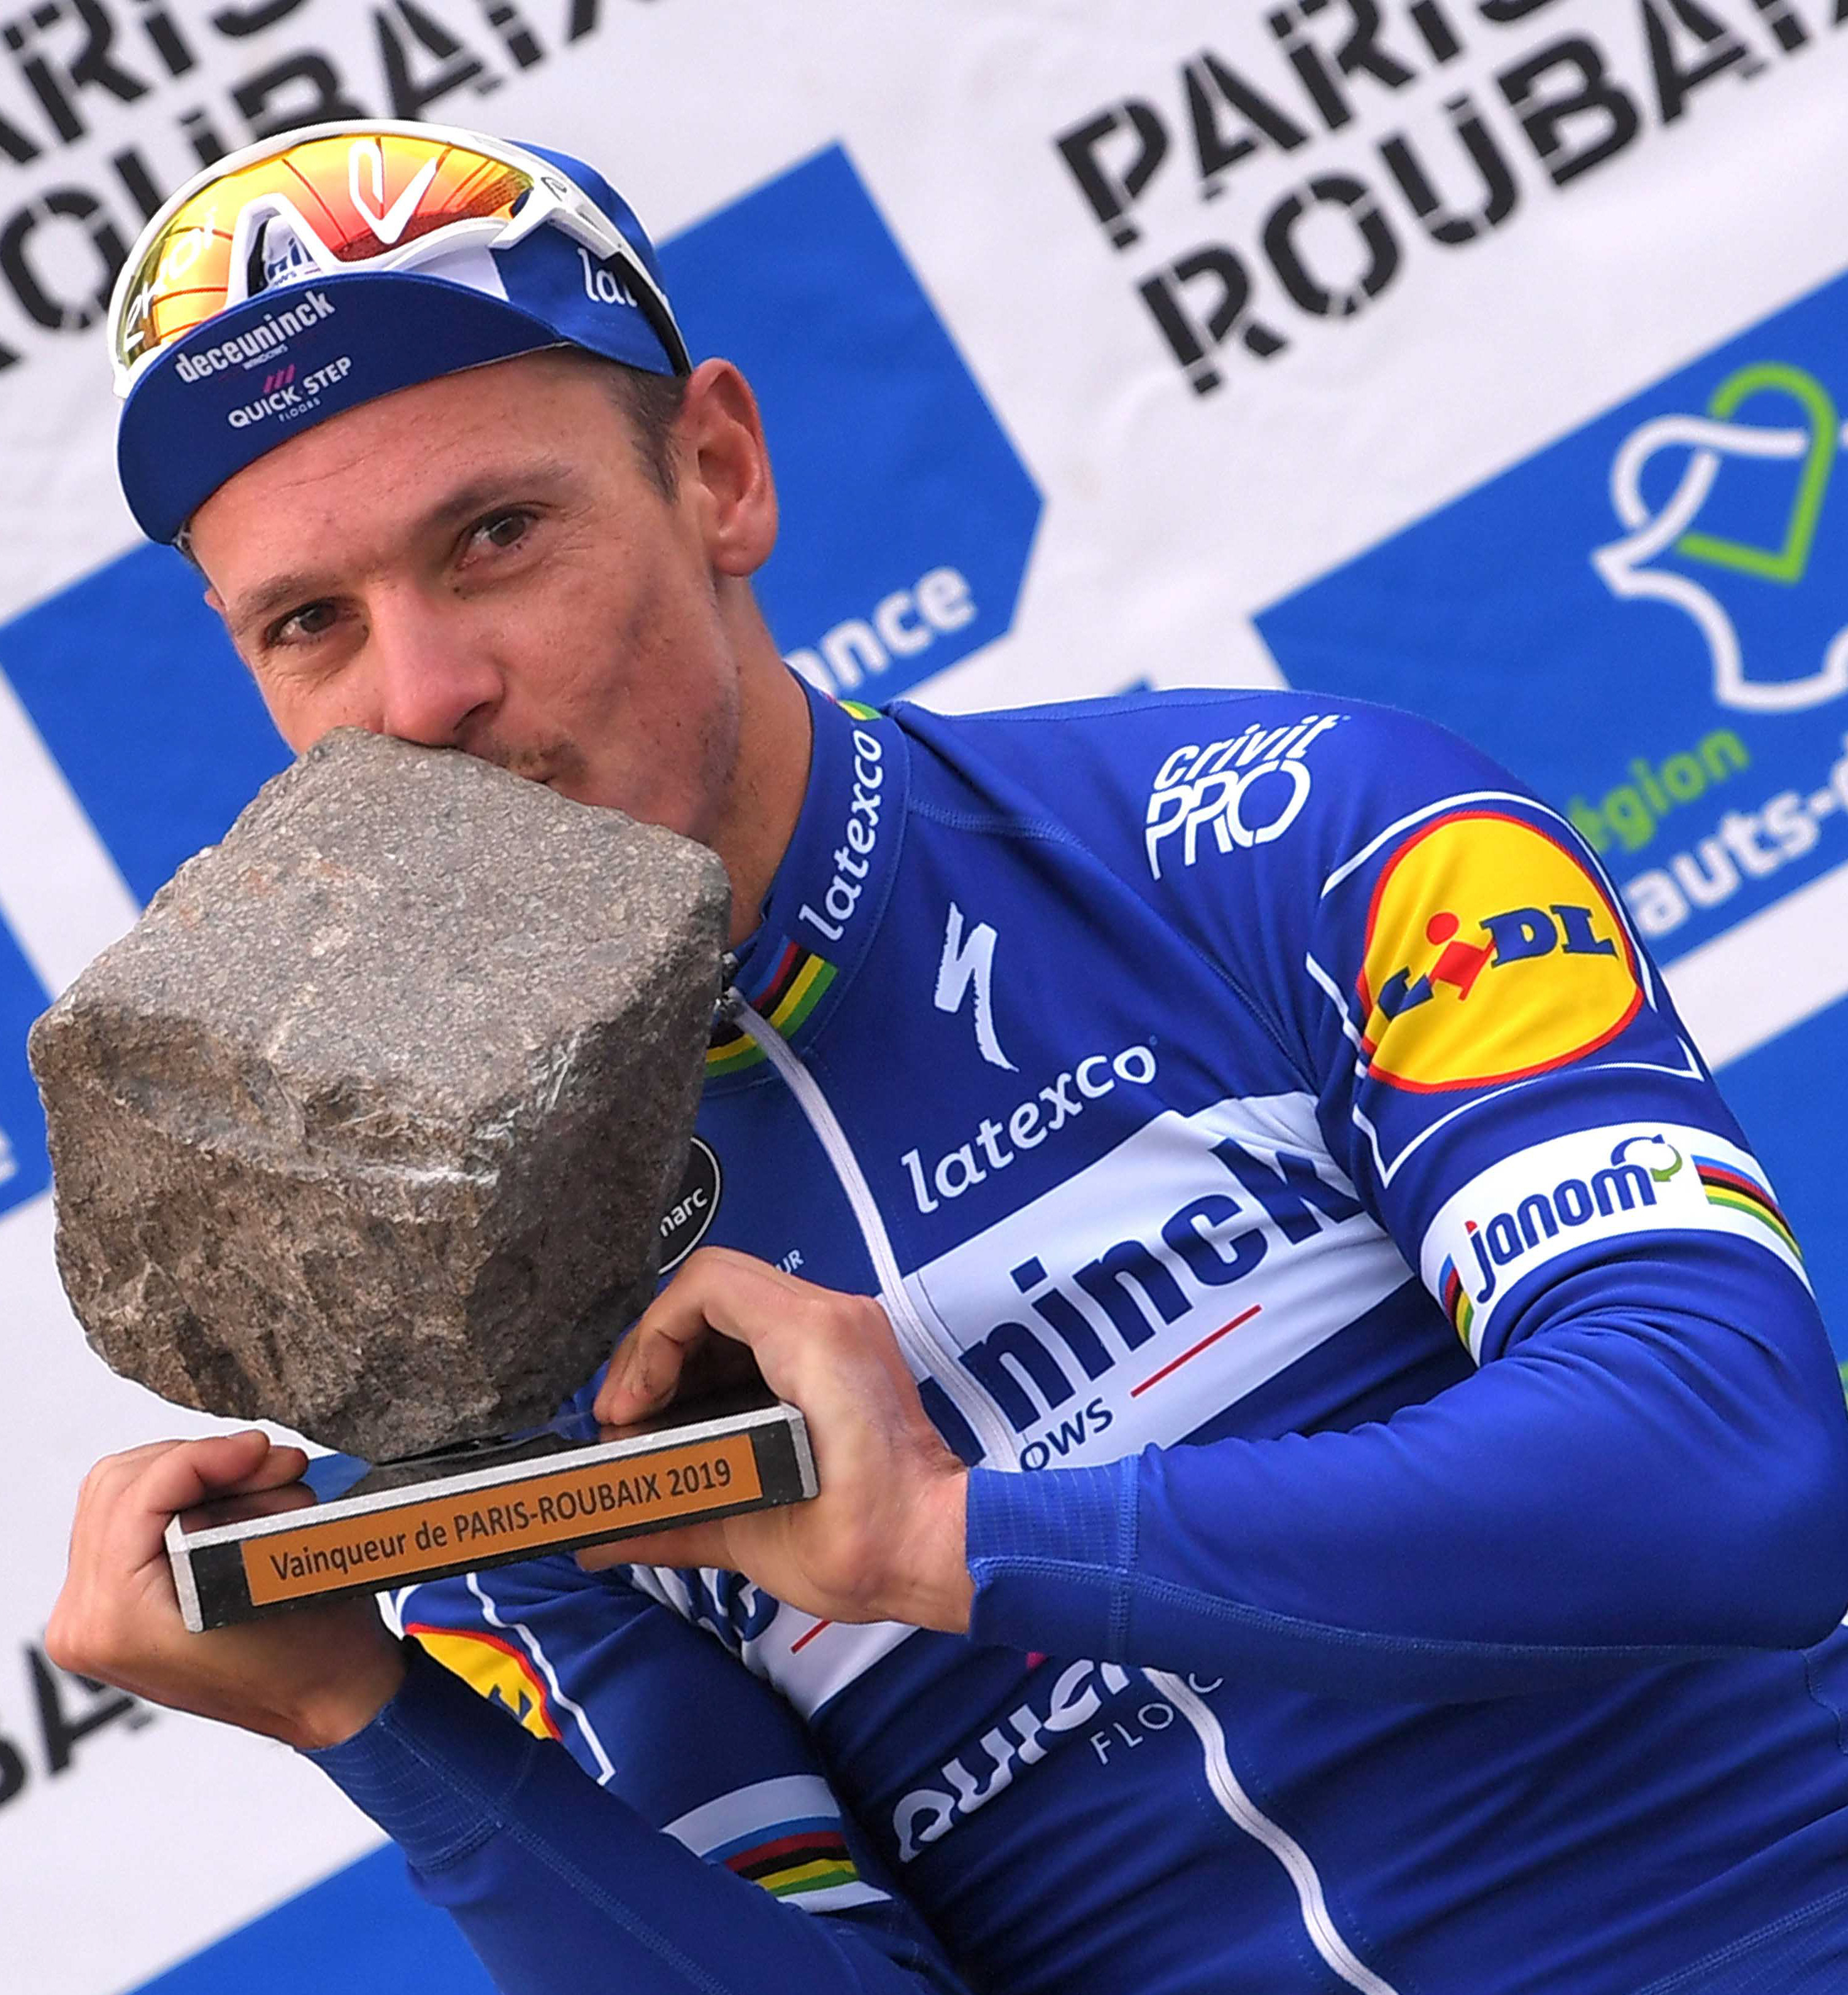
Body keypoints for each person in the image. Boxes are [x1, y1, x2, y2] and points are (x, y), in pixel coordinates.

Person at [45, 117, 1848, 1995]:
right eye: (312, 625)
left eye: (495, 537)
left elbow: (1732, 1464)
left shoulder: (1296, 834)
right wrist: (373, 1722)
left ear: (719, 473)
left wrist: (953, 1538)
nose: (424, 696)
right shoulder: (449, 1338)